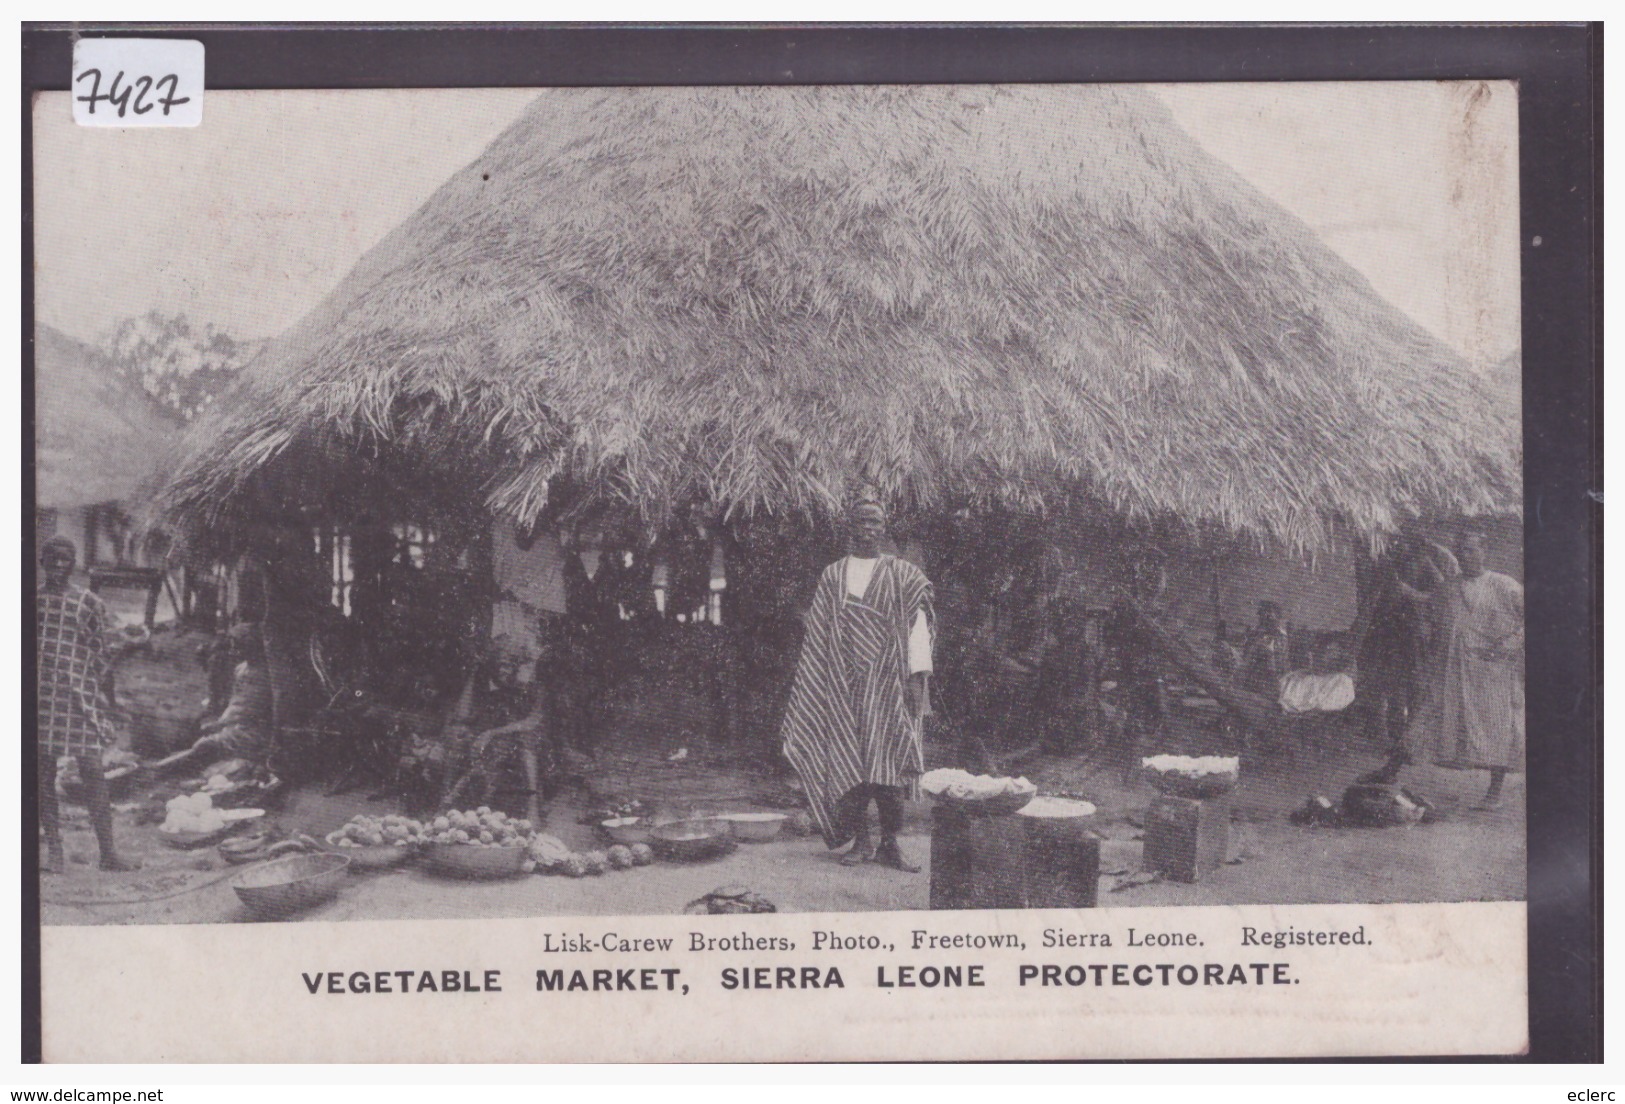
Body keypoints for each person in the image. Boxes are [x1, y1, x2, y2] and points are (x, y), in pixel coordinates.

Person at [781, 493, 934, 872]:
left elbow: (918, 629)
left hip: (891, 686)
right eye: (862, 521)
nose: (868, 529)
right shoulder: (833, 575)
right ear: (850, 528)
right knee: (853, 764)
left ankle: (891, 844)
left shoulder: (903, 574)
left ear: (885, 528)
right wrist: (818, 687)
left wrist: (918, 684)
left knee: (891, 764)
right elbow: (818, 636)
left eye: (875, 522)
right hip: (843, 688)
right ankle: (861, 841)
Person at [1360, 532, 1524, 809]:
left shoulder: (1504, 585)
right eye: (1462, 552)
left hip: (1491, 670)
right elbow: (1425, 600)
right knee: (1427, 714)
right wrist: (1398, 586)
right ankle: (1389, 771)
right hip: (1452, 668)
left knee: (1497, 724)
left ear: (1484, 552)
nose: (1466, 557)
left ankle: (1494, 792)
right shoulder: (1449, 587)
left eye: (1472, 550)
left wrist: (1508, 644)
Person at [36, 538, 137, 872]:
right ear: (42, 561)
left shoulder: (88, 602)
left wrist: (101, 697)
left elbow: (98, 652)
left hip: (77, 698)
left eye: (65, 558)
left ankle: (108, 852)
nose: (59, 564)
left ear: (74, 562)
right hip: (39, 699)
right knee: (43, 774)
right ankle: (54, 850)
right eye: (52, 558)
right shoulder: (28, 600)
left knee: (93, 770)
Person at [149, 624, 273, 778]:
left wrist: (219, 724)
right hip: (237, 724)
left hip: (254, 730)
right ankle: (167, 767)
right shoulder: (242, 669)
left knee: (206, 744)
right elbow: (234, 702)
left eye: (239, 647)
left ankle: (168, 771)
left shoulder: (263, 674)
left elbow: (247, 709)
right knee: (197, 735)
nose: (234, 651)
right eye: (234, 647)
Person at [1238, 600, 1290, 697]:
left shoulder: (1283, 638)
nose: (1266, 622)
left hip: (1276, 682)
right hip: (1254, 681)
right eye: (1263, 618)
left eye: (1270, 618)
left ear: (1278, 619)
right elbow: (1246, 661)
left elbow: (1284, 665)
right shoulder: (1253, 636)